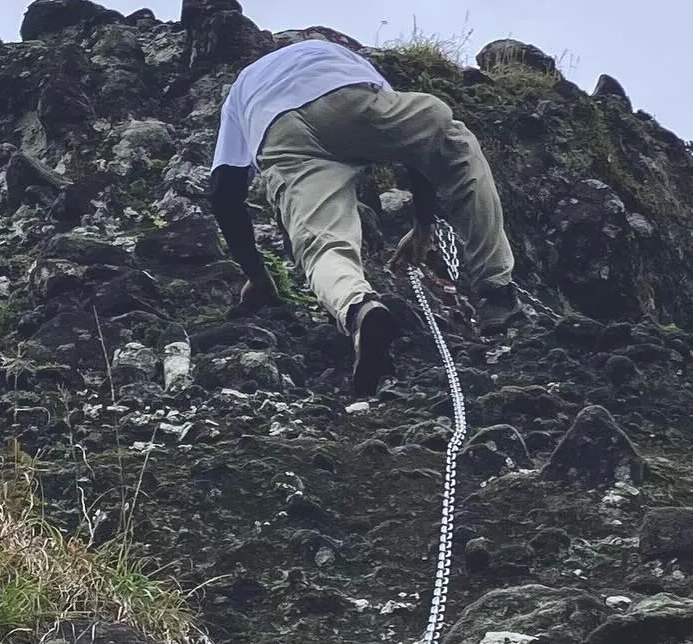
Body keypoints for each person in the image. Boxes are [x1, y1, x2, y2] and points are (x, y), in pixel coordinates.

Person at [207, 34, 518, 395]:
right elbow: (418, 148)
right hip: (345, 94)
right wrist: (423, 223)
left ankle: (359, 307)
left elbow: (223, 192)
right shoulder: (334, 52)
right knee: (454, 144)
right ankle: (496, 290)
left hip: (279, 131)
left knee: (321, 245)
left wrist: (257, 275)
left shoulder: (242, 87)